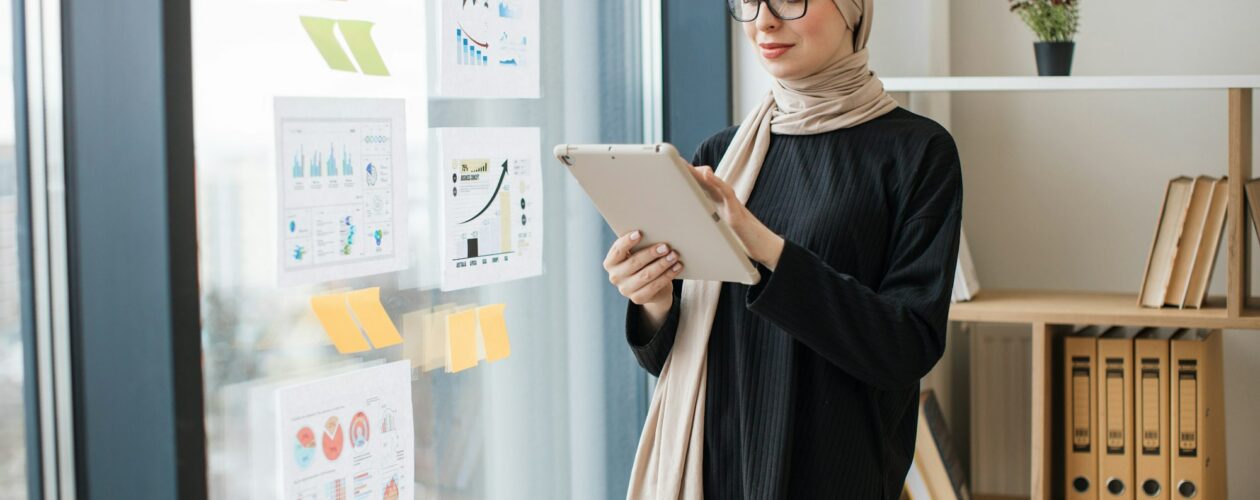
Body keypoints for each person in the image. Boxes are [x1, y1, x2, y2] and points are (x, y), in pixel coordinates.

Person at [604, 0, 964, 498]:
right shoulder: (723, 155)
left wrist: (764, 245)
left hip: (833, 468)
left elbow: (907, 348)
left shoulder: (918, 152)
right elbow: (676, 354)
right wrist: (653, 298)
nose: (764, 21)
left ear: (853, 11)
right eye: (749, 2)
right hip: (716, 466)